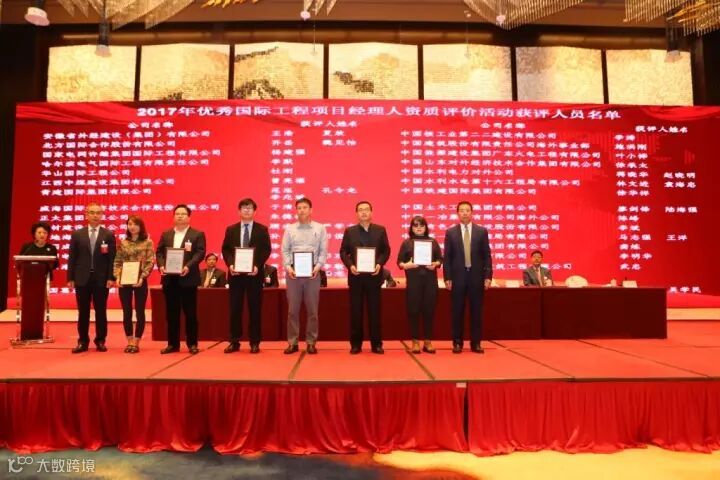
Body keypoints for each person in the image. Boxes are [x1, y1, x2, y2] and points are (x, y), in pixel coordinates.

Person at [339, 200, 391, 354]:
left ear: (371, 212)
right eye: (360, 210)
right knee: (356, 312)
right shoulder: (350, 231)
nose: (363, 212)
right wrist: (350, 265)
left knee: (375, 311)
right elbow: (343, 251)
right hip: (356, 276)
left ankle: (377, 344)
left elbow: (386, 250)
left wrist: (380, 264)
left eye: (366, 209)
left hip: (374, 276)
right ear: (356, 213)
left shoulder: (380, 230)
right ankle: (356, 344)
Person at [221, 198, 271, 354]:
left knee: (255, 309)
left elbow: (266, 250)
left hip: (254, 275)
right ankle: (234, 341)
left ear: (255, 211)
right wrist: (230, 265)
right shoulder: (231, 229)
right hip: (235, 275)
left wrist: (257, 265)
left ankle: (254, 342)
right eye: (244, 207)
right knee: (235, 309)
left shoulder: (262, 230)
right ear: (239, 211)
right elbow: (226, 250)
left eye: (250, 208)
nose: (247, 210)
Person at [156, 204, 206, 355]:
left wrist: (188, 266)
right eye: (177, 214)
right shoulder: (166, 234)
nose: (180, 216)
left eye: (183, 214)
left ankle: (192, 344)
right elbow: (159, 252)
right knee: (171, 314)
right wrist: (161, 266)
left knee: (190, 313)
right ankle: (173, 344)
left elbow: (200, 253)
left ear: (189, 217)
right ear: (173, 216)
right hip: (170, 279)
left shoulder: (197, 234)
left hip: (188, 279)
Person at [443, 201, 493, 354]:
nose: (465, 213)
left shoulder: (481, 231)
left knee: (476, 311)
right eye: (462, 210)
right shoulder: (450, 232)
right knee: (457, 311)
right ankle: (457, 343)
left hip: (476, 277)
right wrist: (447, 277)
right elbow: (447, 257)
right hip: (457, 277)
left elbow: (487, 255)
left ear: (472, 213)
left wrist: (488, 276)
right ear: (457, 213)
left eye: (467, 210)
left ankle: (476, 343)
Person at [67, 202, 116, 353]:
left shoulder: (108, 234)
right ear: (86, 215)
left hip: (101, 278)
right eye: (92, 213)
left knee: (101, 311)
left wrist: (111, 277)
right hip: (82, 278)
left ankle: (100, 340)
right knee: (83, 312)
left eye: (98, 213)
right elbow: (72, 257)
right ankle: (83, 341)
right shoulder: (77, 234)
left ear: (102, 215)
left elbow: (112, 258)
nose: (95, 215)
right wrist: (70, 278)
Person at [281, 197, 328, 354]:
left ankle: (311, 342)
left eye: (305, 207)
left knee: (312, 311)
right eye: (299, 208)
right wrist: (288, 268)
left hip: (312, 273)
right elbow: (285, 250)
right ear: (296, 211)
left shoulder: (320, 228)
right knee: (292, 311)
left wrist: (318, 267)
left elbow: (323, 251)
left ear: (311, 210)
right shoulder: (290, 229)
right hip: (293, 274)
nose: (301, 210)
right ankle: (292, 342)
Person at [397, 216, 443, 354]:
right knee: (413, 311)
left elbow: (440, 259)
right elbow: (399, 262)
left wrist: (435, 264)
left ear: (425, 227)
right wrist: (406, 265)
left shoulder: (433, 242)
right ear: (411, 228)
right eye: (416, 225)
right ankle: (415, 341)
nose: (419, 228)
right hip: (414, 282)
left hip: (430, 282)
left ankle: (427, 341)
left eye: (421, 225)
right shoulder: (407, 243)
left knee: (429, 311)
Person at [113, 215, 155, 353]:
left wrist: (142, 277)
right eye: (129, 224)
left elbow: (150, 261)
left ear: (140, 226)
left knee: (140, 311)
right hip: (125, 280)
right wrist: (117, 277)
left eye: (135, 224)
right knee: (127, 311)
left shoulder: (148, 242)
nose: (132, 227)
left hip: (140, 281)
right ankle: (129, 341)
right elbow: (117, 261)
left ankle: (137, 341)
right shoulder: (123, 242)